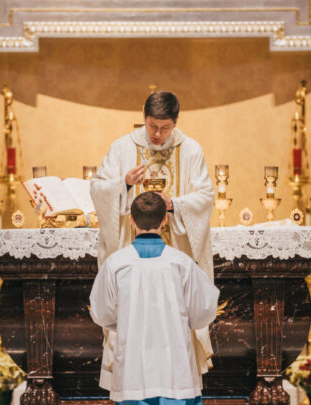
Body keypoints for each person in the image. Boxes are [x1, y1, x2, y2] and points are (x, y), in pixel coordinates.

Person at [90, 91, 216, 389]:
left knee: (176, 323)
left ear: (175, 123)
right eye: (151, 126)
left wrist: (174, 204)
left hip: (176, 254)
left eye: (165, 128)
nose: (157, 134)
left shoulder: (191, 149)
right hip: (130, 256)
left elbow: (205, 195)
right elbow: (98, 188)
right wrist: (123, 183)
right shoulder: (122, 147)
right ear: (144, 118)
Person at [89, 192, 219, 405]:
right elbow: (203, 313)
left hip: (133, 371)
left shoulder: (116, 264)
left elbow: (101, 313)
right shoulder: (182, 263)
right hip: (175, 372)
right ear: (165, 220)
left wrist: (125, 321)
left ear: (131, 220)